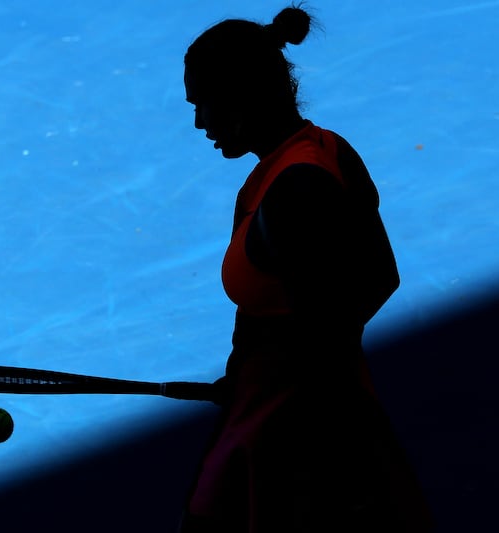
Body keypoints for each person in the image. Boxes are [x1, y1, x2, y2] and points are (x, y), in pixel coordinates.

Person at [179, 5, 435, 532]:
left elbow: (318, 332)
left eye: (204, 105)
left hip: (296, 444)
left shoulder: (295, 191)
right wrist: (245, 375)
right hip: (285, 414)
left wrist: (267, 382)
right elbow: (380, 276)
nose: (200, 123)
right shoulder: (322, 151)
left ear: (240, 101)